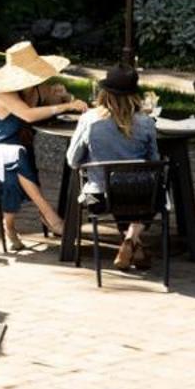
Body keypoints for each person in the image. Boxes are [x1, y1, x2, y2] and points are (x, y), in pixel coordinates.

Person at [0, 42, 85, 252]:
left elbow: (53, 103)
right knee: (15, 160)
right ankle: (48, 216)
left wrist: (65, 97)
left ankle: (10, 228)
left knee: (15, 160)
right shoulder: (4, 93)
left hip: (13, 150)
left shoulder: (39, 89)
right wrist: (64, 106)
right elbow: (28, 115)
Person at [66, 64, 160, 270]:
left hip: (97, 199)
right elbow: (154, 162)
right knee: (155, 193)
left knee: (106, 191)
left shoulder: (89, 120)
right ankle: (132, 240)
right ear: (134, 95)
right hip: (141, 197)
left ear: (104, 93)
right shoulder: (146, 123)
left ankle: (130, 241)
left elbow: (73, 160)